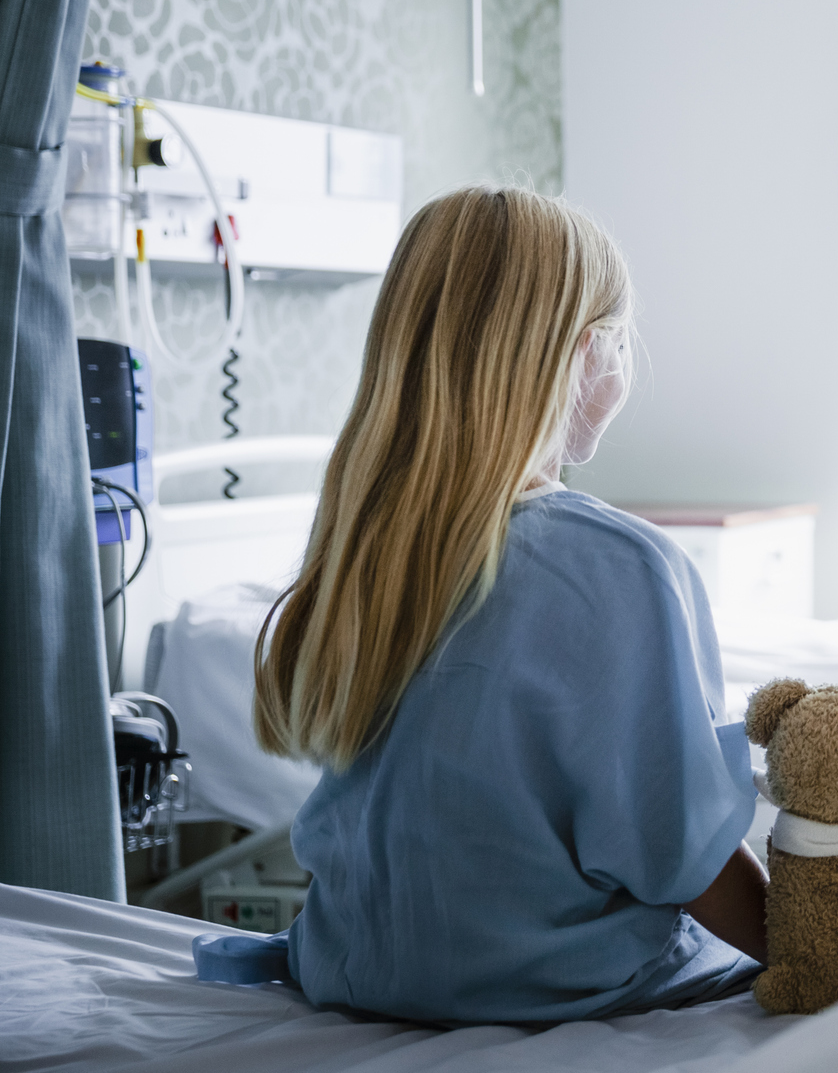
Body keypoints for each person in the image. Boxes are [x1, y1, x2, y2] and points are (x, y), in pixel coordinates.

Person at [251, 185, 766, 1024]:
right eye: (622, 341)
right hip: (567, 989)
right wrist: (829, 964)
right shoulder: (620, 566)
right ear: (586, 354)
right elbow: (685, 855)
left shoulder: (363, 547)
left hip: (353, 973)